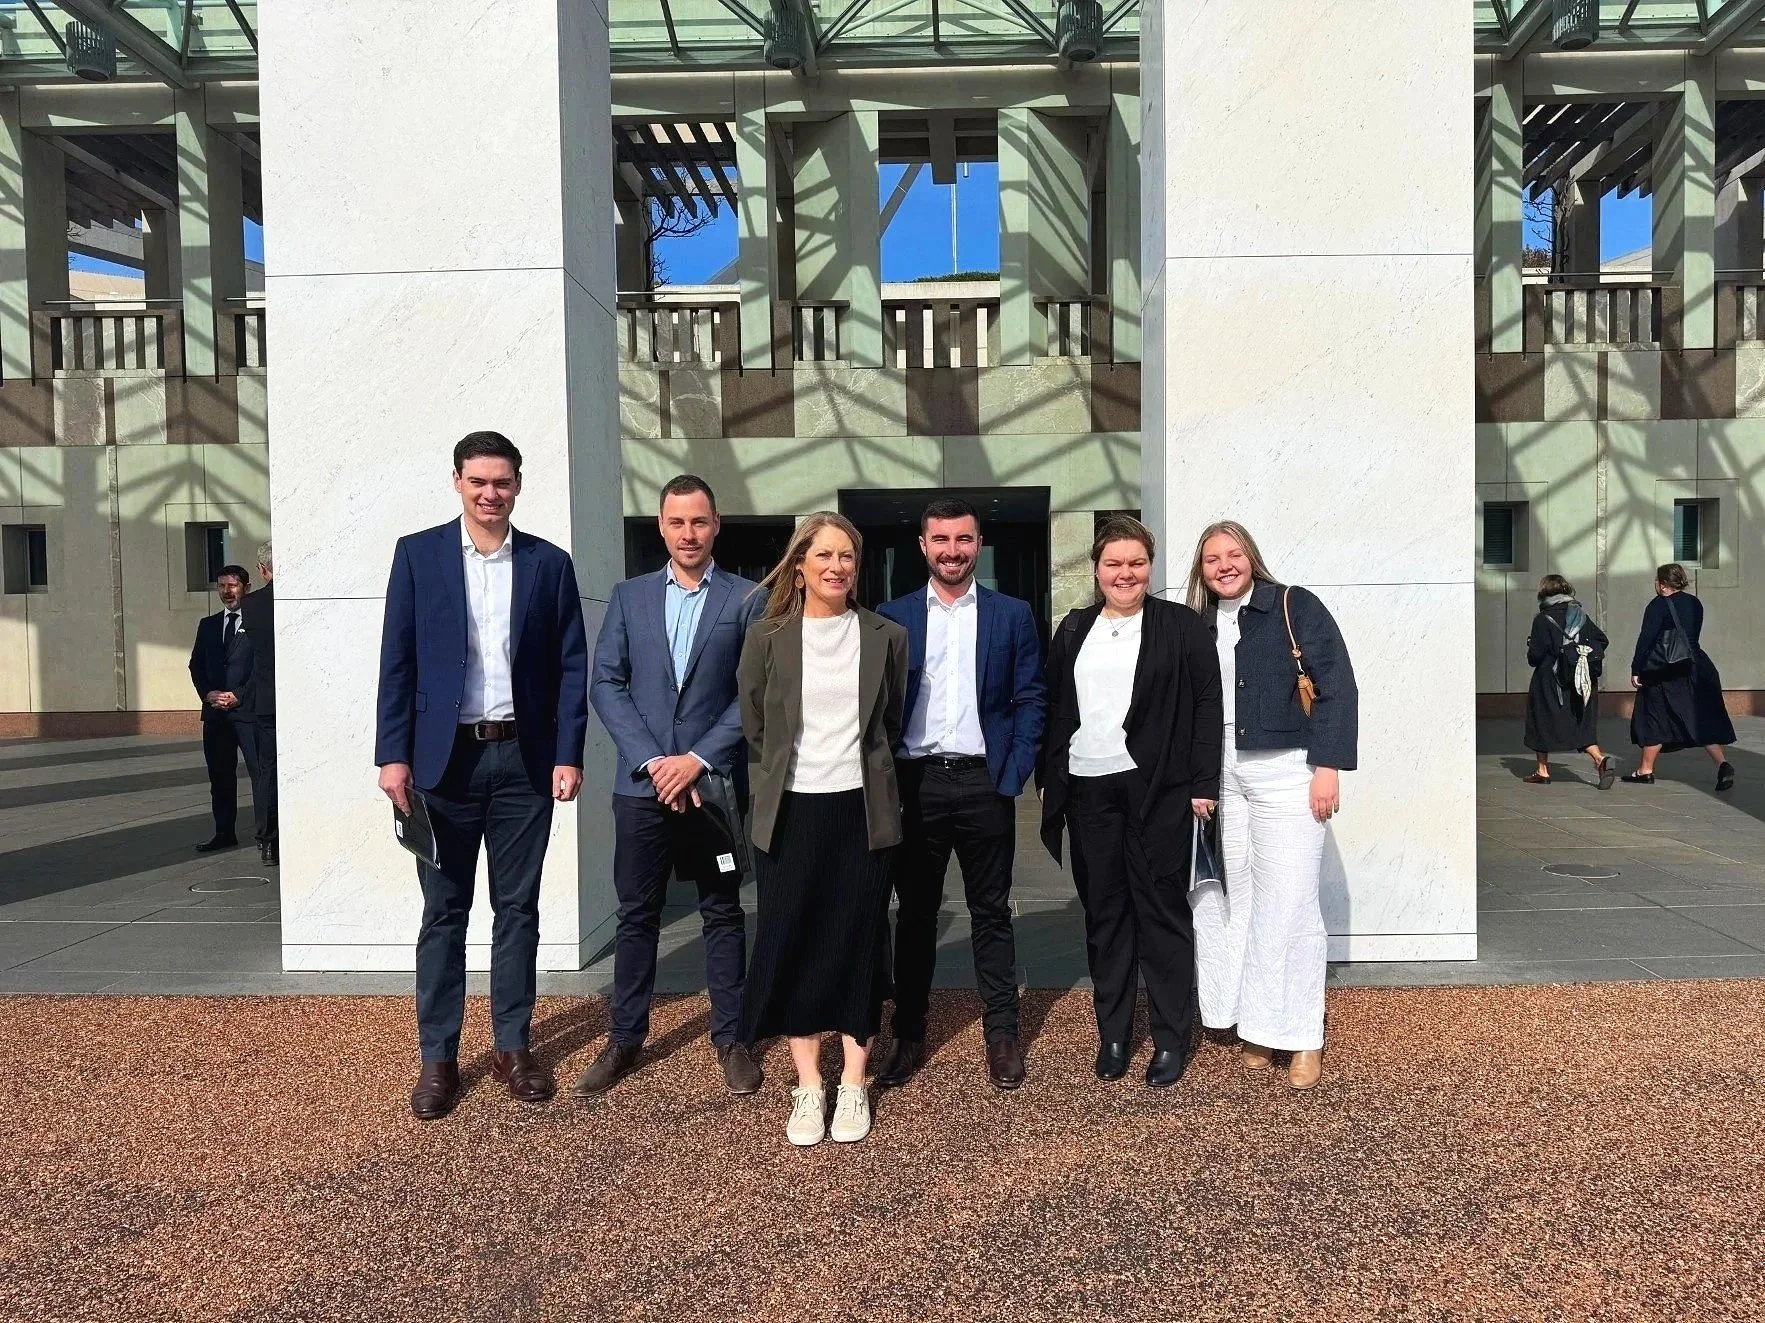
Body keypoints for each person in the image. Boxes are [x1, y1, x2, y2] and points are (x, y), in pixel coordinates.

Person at [375, 431, 589, 1121]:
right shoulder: (418, 556)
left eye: (502, 481)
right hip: (444, 765)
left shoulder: (548, 564)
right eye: (478, 481)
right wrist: (392, 754)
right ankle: (438, 1057)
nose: (490, 493)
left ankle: (512, 1046)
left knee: (518, 910)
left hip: (524, 761)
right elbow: (397, 660)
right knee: (443, 912)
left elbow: (570, 667)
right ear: (458, 482)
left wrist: (568, 751)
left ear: (519, 485)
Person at [579, 475, 765, 1098]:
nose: (689, 533)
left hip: (712, 788)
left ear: (717, 526)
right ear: (660, 527)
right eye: (677, 522)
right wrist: (656, 762)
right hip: (642, 787)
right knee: (638, 914)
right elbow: (606, 682)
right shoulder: (629, 597)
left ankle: (731, 1036)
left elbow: (753, 693)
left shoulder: (746, 599)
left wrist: (697, 760)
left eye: (700, 522)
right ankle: (625, 1038)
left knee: (722, 912)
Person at [738, 512, 908, 1146]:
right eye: (826, 555)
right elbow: (757, 728)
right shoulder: (767, 638)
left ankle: (855, 1083)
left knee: (857, 938)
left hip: (861, 809)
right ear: (801, 565)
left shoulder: (887, 636)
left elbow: (888, 720)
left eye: (849, 556)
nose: (838, 566)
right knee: (796, 937)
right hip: (791, 809)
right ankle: (810, 1084)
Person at [1038, 515, 1221, 1089]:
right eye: (1113, 563)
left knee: (1162, 913)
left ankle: (1170, 1038)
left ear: (1151, 566)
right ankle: (1113, 1034)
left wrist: (1202, 785)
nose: (1125, 573)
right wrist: (1050, 777)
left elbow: (1205, 706)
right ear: (1096, 569)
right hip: (1089, 789)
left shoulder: (1180, 625)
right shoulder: (1073, 627)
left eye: (1136, 563)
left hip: (1159, 791)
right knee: (1106, 917)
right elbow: (1054, 705)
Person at [873, 497, 1045, 1092]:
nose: (952, 551)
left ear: (979, 543)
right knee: (915, 916)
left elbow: (1031, 697)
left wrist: (1013, 772)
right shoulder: (891, 616)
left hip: (983, 782)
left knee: (991, 912)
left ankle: (1002, 1032)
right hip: (915, 783)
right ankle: (910, 1033)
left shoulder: (1011, 614)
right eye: (941, 540)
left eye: (963, 539)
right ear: (923, 545)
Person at [1184, 522, 1358, 1091]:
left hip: (1287, 769)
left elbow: (1336, 684)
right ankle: (1258, 1024)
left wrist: (1327, 767)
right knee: (1239, 902)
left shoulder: (1292, 604)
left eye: (1233, 554)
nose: (1224, 565)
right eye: (1212, 558)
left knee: (1291, 903)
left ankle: (1304, 1036)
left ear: (1252, 557)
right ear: (1201, 569)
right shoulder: (1200, 623)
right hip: (1222, 776)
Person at [1623, 562, 1736, 791]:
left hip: (1664, 671)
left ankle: (1645, 770)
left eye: (1657, 581)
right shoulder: (1694, 602)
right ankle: (1723, 764)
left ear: (1663, 585)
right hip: (1695, 665)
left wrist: (1637, 669)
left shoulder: (1658, 605)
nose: (1655, 585)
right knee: (1699, 717)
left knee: (1653, 717)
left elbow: (1646, 639)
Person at [1521, 574, 1616, 788]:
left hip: (1550, 680)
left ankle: (1542, 770)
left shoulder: (1543, 619)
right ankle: (1600, 759)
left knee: (1541, 721)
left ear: (1544, 593)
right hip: (1581, 679)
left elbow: (1535, 656)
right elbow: (1602, 639)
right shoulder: (1580, 614)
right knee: (1580, 722)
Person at [188, 564, 257, 853]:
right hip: (216, 715)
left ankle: (269, 836)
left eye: (232, 585)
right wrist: (208, 694)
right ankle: (224, 832)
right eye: (221, 586)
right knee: (220, 777)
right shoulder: (208, 625)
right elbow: (196, 665)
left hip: (248, 714)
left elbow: (263, 667)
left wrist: (239, 694)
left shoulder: (258, 622)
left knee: (260, 775)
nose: (226, 592)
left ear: (246, 588)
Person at [239, 542, 278, 864]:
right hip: (302, 698)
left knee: (269, 772)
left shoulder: (251, 605)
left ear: (263, 570)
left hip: (268, 700)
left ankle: (268, 841)